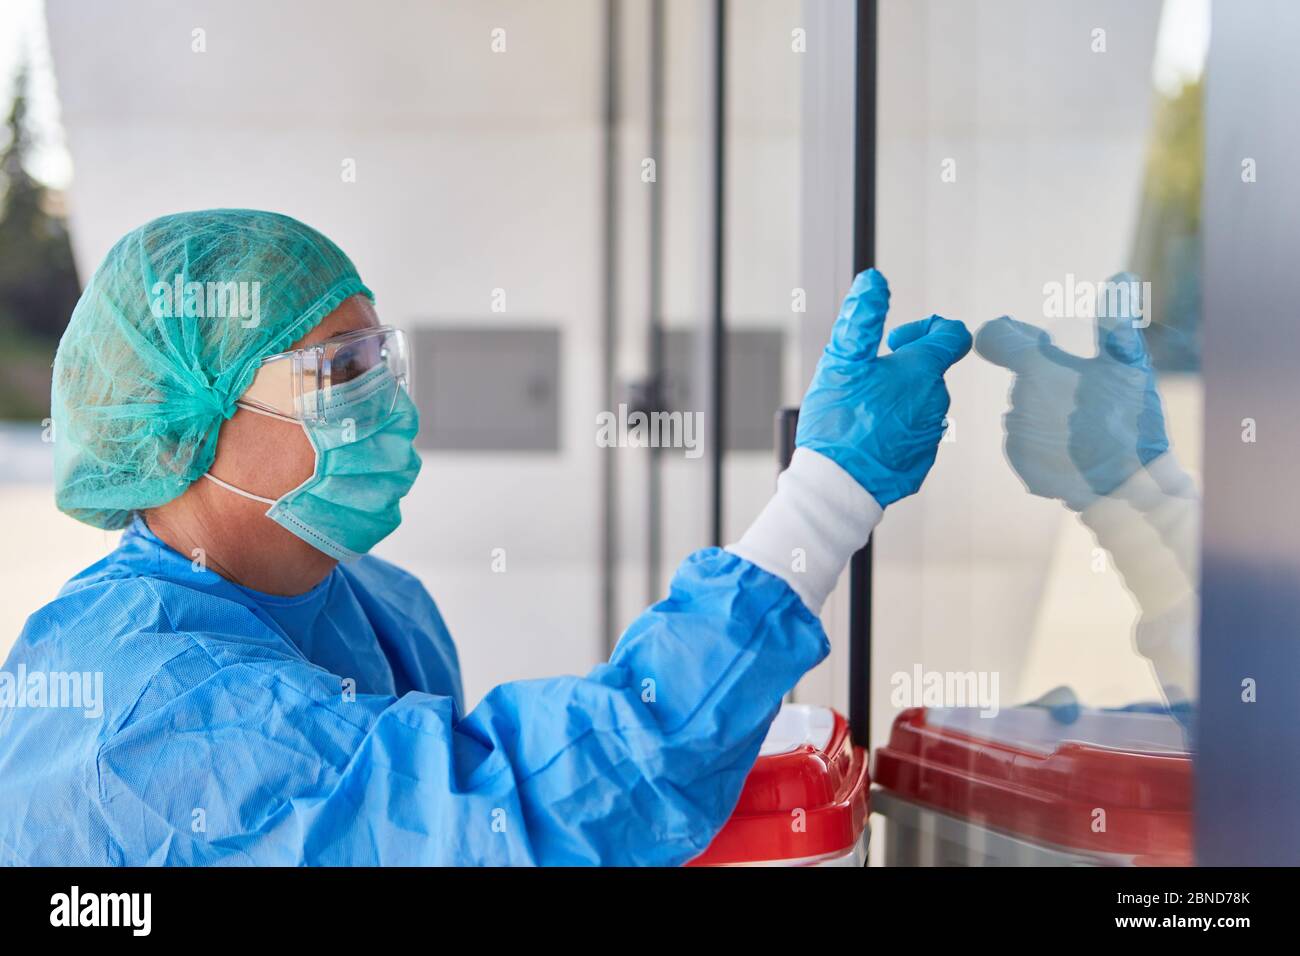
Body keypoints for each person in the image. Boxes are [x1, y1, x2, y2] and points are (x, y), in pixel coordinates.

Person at [0, 209, 970, 865]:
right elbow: (512, 816)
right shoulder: (140, 709)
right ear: (188, 418)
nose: (385, 400)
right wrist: (823, 502)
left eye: (382, 359)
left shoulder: (379, 602)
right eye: (338, 371)